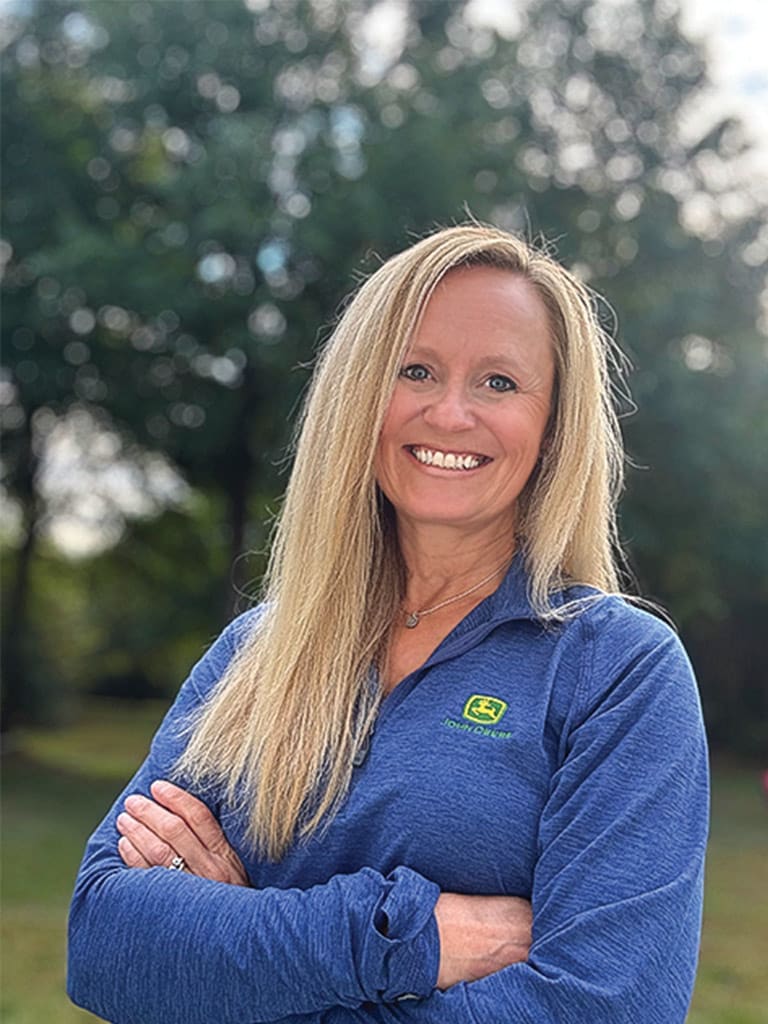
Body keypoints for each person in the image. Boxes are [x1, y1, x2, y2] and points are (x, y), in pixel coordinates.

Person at [68, 224, 709, 1024]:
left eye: (500, 382)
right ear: (359, 395)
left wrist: (240, 954)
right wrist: (409, 938)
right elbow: (103, 943)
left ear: (554, 428)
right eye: (416, 370)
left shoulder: (617, 670)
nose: (450, 413)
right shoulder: (255, 653)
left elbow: (606, 1008)